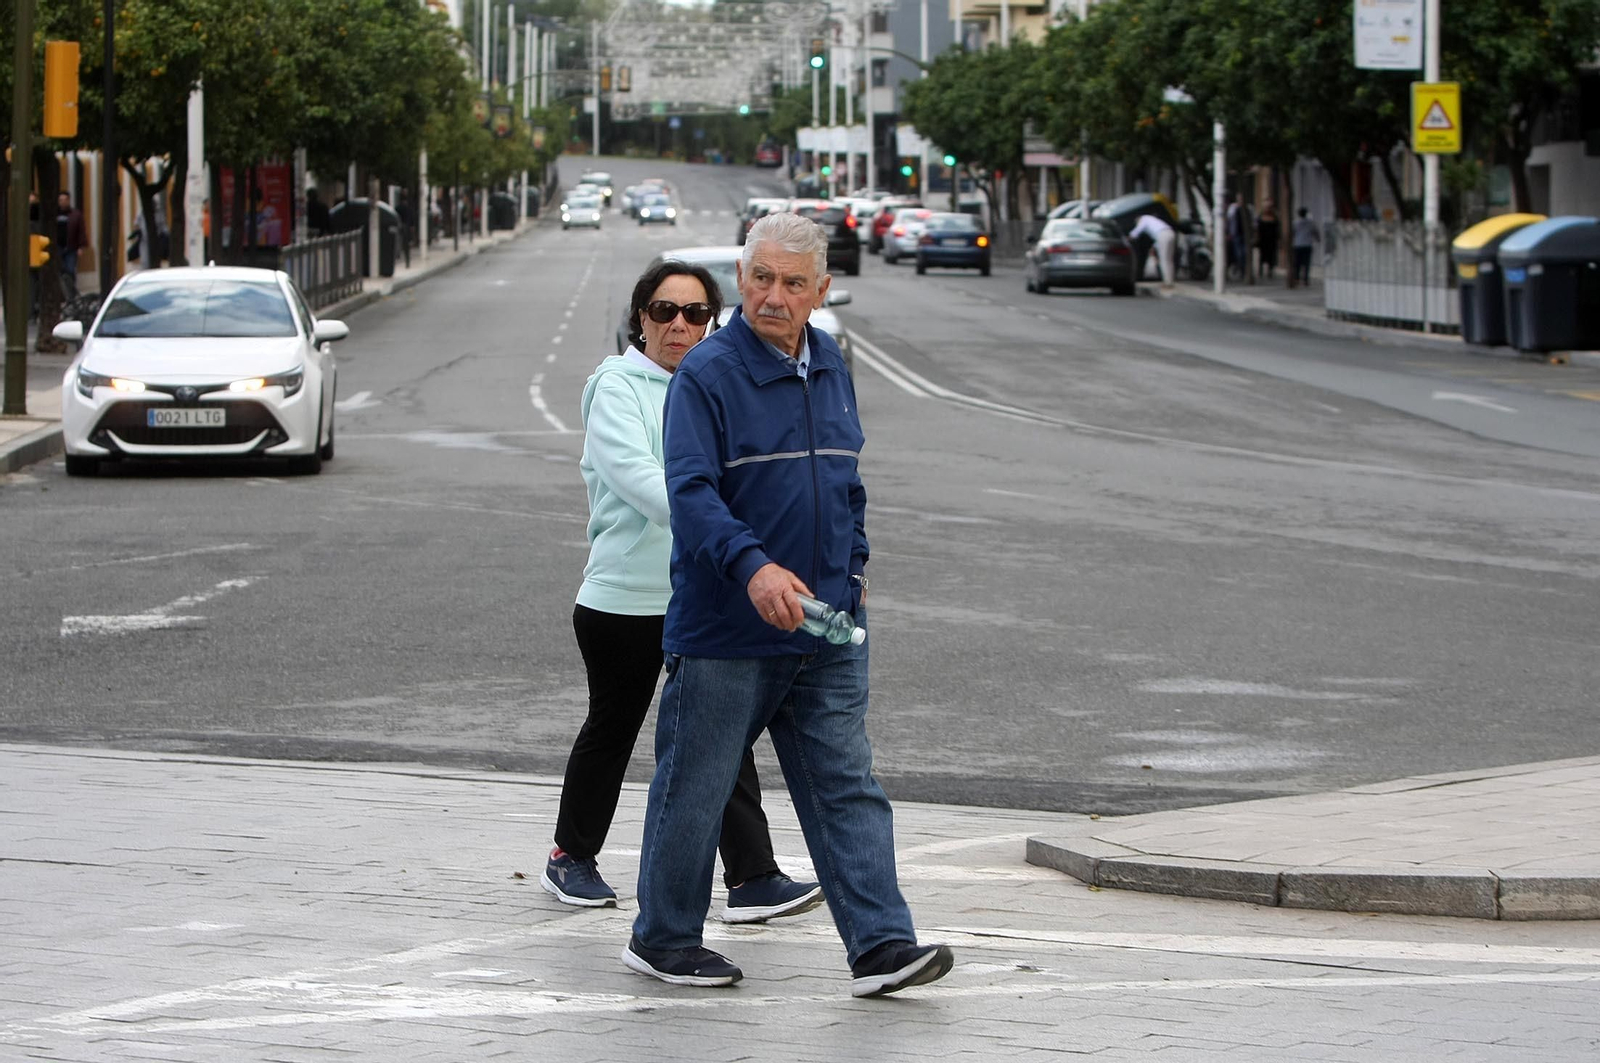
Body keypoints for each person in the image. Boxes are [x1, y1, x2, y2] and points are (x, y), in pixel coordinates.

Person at [624, 212, 955, 998]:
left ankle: (880, 944)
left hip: (829, 627)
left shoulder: (831, 361)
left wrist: (856, 567)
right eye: (762, 278)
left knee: (848, 784)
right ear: (742, 279)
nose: (775, 295)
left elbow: (847, 480)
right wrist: (755, 569)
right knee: (696, 785)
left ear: (821, 290)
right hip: (729, 627)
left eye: (793, 282)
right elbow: (693, 494)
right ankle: (663, 937)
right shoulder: (707, 373)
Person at [545, 260, 824, 928]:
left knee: (720, 732)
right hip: (625, 598)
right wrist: (727, 530)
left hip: (699, 595)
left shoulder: (717, 387)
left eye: (695, 314)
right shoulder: (617, 385)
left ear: (713, 322)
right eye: (664, 311)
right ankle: (570, 856)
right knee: (613, 727)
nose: (679, 326)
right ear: (639, 320)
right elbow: (640, 477)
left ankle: (753, 876)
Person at [1129, 210, 1176, 289]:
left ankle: (1167, 283)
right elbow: (1158, 238)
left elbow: (1137, 231)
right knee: (1169, 259)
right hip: (1170, 232)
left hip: (1163, 235)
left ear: (1138, 219)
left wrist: (1130, 237)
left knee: (1164, 260)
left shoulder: (1144, 219)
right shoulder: (1153, 220)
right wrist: (1154, 247)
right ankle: (1170, 281)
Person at [54, 192, 89, 301]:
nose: (63, 202)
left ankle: (71, 293)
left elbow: (81, 231)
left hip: (71, 248)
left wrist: (80, 247)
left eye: (65, 199)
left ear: (69, 200)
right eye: (61, 200)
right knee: (60, 271)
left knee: (70, 270)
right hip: (58, 248)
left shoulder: (76, 214)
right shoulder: (55, 215)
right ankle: (62, 294)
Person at [1292, 207, 1320, 287]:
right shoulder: (1311, 223)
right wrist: (1318, 240)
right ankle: (1305, 279)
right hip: (1307, 245)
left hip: (1297, 245)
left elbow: (1292, 233)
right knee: (1306, 263)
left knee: (1297, 263)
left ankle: (1297, 278)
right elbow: (1316, 232)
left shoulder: (1295, 223)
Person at [1256, 201, 1280, 281]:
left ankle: (1269, 271)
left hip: (1271, 240)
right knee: (1262, 256)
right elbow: (1257, 229)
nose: (1268, 209)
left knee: (1271, 256)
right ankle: (1261, 271)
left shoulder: (1275, 217)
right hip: (1263, 240)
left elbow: (1277, 229)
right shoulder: (1260, 217)